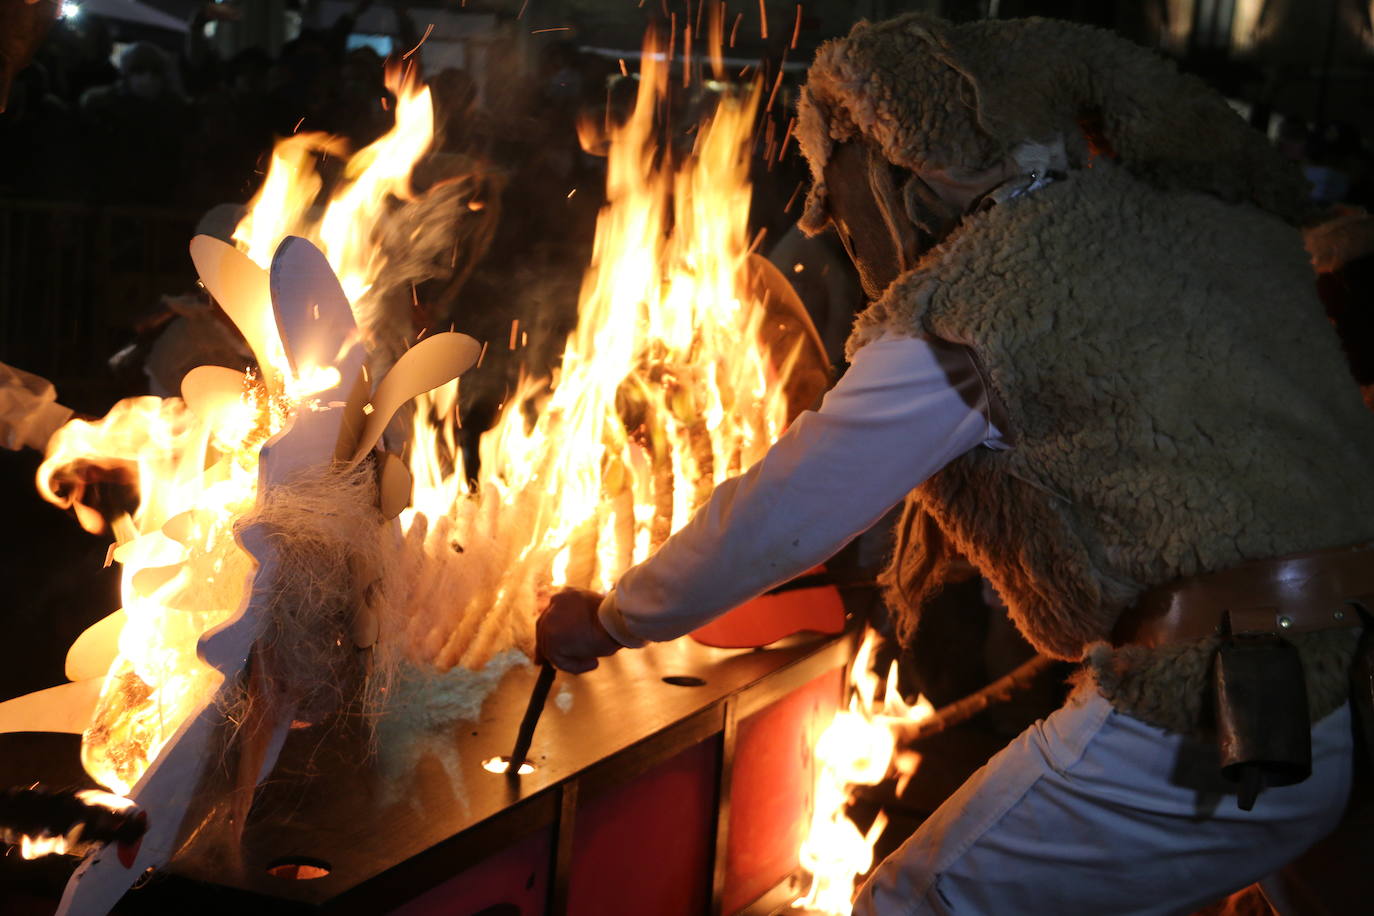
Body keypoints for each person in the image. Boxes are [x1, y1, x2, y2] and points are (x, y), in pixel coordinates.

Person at [535, 14, 1374, 914]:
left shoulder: (981, 300)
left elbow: (796, 500)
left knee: (917, 901)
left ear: (906, 168)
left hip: (1220, 698)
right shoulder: (1207, 232)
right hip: (1352, 681)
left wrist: (620, 616)